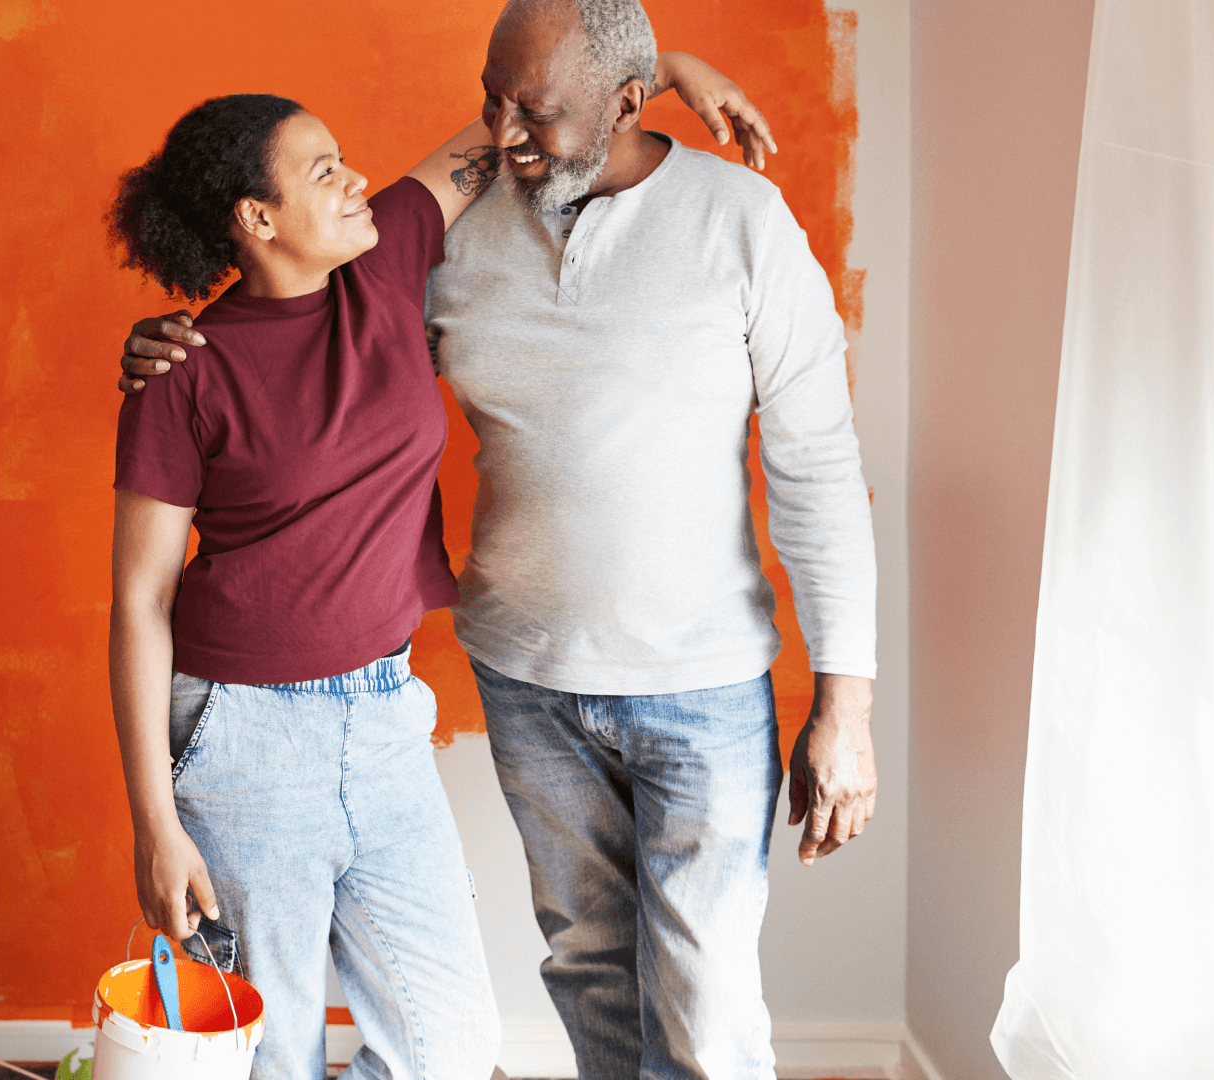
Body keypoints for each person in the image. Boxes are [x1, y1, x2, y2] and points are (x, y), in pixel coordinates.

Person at [115, 1, 877, 1078]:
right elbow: (272, 366)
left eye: (539, 112)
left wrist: (668, 69)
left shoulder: (720, 221)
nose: (507, 133)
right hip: (383, 708)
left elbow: (820, 466)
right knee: (533, 979)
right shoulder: (292, 315)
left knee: (603, 1021)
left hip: (567, 698)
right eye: (495, 102)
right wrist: (156, 819)